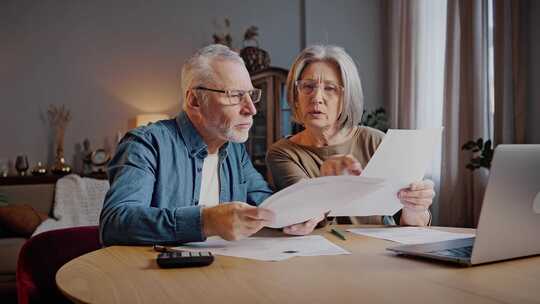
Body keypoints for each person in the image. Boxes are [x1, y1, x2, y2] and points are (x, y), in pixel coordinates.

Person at [99, 44, 276, 245]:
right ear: (194, 101)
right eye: (235, 95)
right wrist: (206, 221)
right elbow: (115, 223)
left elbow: (267, 204)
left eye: (251, 95)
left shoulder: (235, 150)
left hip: (223, 271)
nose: (251, 109)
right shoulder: (146, 144)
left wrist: (300, 214)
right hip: (156, 274)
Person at [266, 45, 434, 235]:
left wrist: (415, 208)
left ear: (346, 98)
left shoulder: (376, 142)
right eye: (308, 87)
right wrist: (327, 182)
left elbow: (411, 226)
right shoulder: (282, 153)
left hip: (375, 254)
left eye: (330, 88)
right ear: (295, 96)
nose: (317, 98)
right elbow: (303, 215)